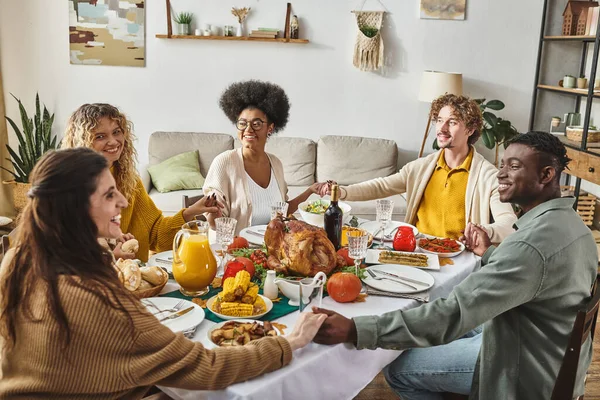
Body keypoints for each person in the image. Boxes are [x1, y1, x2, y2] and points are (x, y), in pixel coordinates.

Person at [0, 147, 326, 398]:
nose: (124, 202)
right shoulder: (98, 297)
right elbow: (205, 367)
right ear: (74, 208)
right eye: (109, 195)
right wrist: (291, 342)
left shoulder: (18, 260)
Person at [312, 131, 598, 400]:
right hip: (548, 350)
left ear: (546, 174)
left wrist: (356, 329)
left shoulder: (529, 246)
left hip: (523, 368)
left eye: (514, 166)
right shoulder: (573, 225)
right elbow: (533, 276)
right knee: (422, 332)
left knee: (398, 366)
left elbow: (453, 313)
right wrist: (488, 254)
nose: (501, 173)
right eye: (502, 165)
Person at [321, 94, 516, 243]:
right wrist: (342, 192)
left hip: (459, 256)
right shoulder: (421, 167)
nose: (442, 128)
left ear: (470, 129)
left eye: (453, 122)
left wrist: (484, 231)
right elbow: (381, 186)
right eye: (439, 120)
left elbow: (509, 223)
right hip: (417, 250)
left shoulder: (488, 175)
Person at [61, 103, 221, 261]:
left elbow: (156, 234)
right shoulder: (64, 188)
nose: (113, 141)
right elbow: (58, 256)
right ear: (82, 142)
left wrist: (190, 212)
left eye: (116, 132)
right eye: (100, 136)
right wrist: (110, 258)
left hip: (133, 277)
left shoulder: (128, 179)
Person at [203, 80, 326, 234]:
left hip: (272, 247)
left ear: (270, 127)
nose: (248, 129)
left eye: (257, 123)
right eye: (242, 123)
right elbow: (215, 225)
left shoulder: (275, 163)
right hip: (238, 248)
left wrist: (309, 191)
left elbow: (282, 211)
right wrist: (213, 213)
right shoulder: (224, 163)